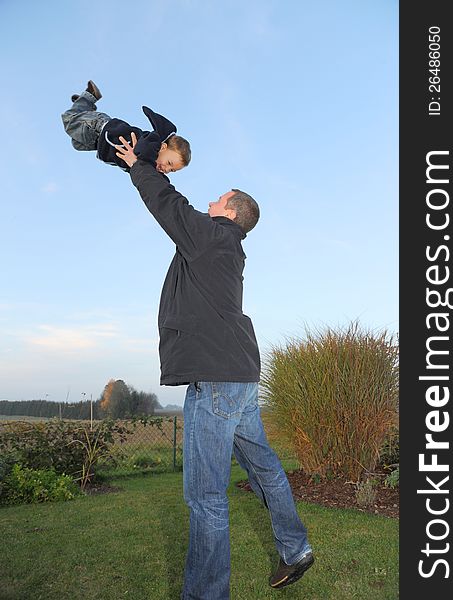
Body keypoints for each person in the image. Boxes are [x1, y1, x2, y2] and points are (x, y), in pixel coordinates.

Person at [117, 132, 314, 599]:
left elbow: (169, 205)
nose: (210, 200)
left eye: (219, 198)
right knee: (265, 469)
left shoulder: (212, 238)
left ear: (231, 212)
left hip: (217, 381)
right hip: (240, 378)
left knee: (205, 499)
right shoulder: (225, 247)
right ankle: (296, 547)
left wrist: (138, 165)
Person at [61, 80, 191, 174]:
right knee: (69, 120)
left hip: (98, 143)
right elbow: (145, 151)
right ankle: (90, 96)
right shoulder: (151, 144)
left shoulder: (148, 164)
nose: (166, 169)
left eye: (172, 170)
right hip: (99, 127)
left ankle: (84, 108)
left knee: (76, 143)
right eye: (169, 163)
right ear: (163, 147)